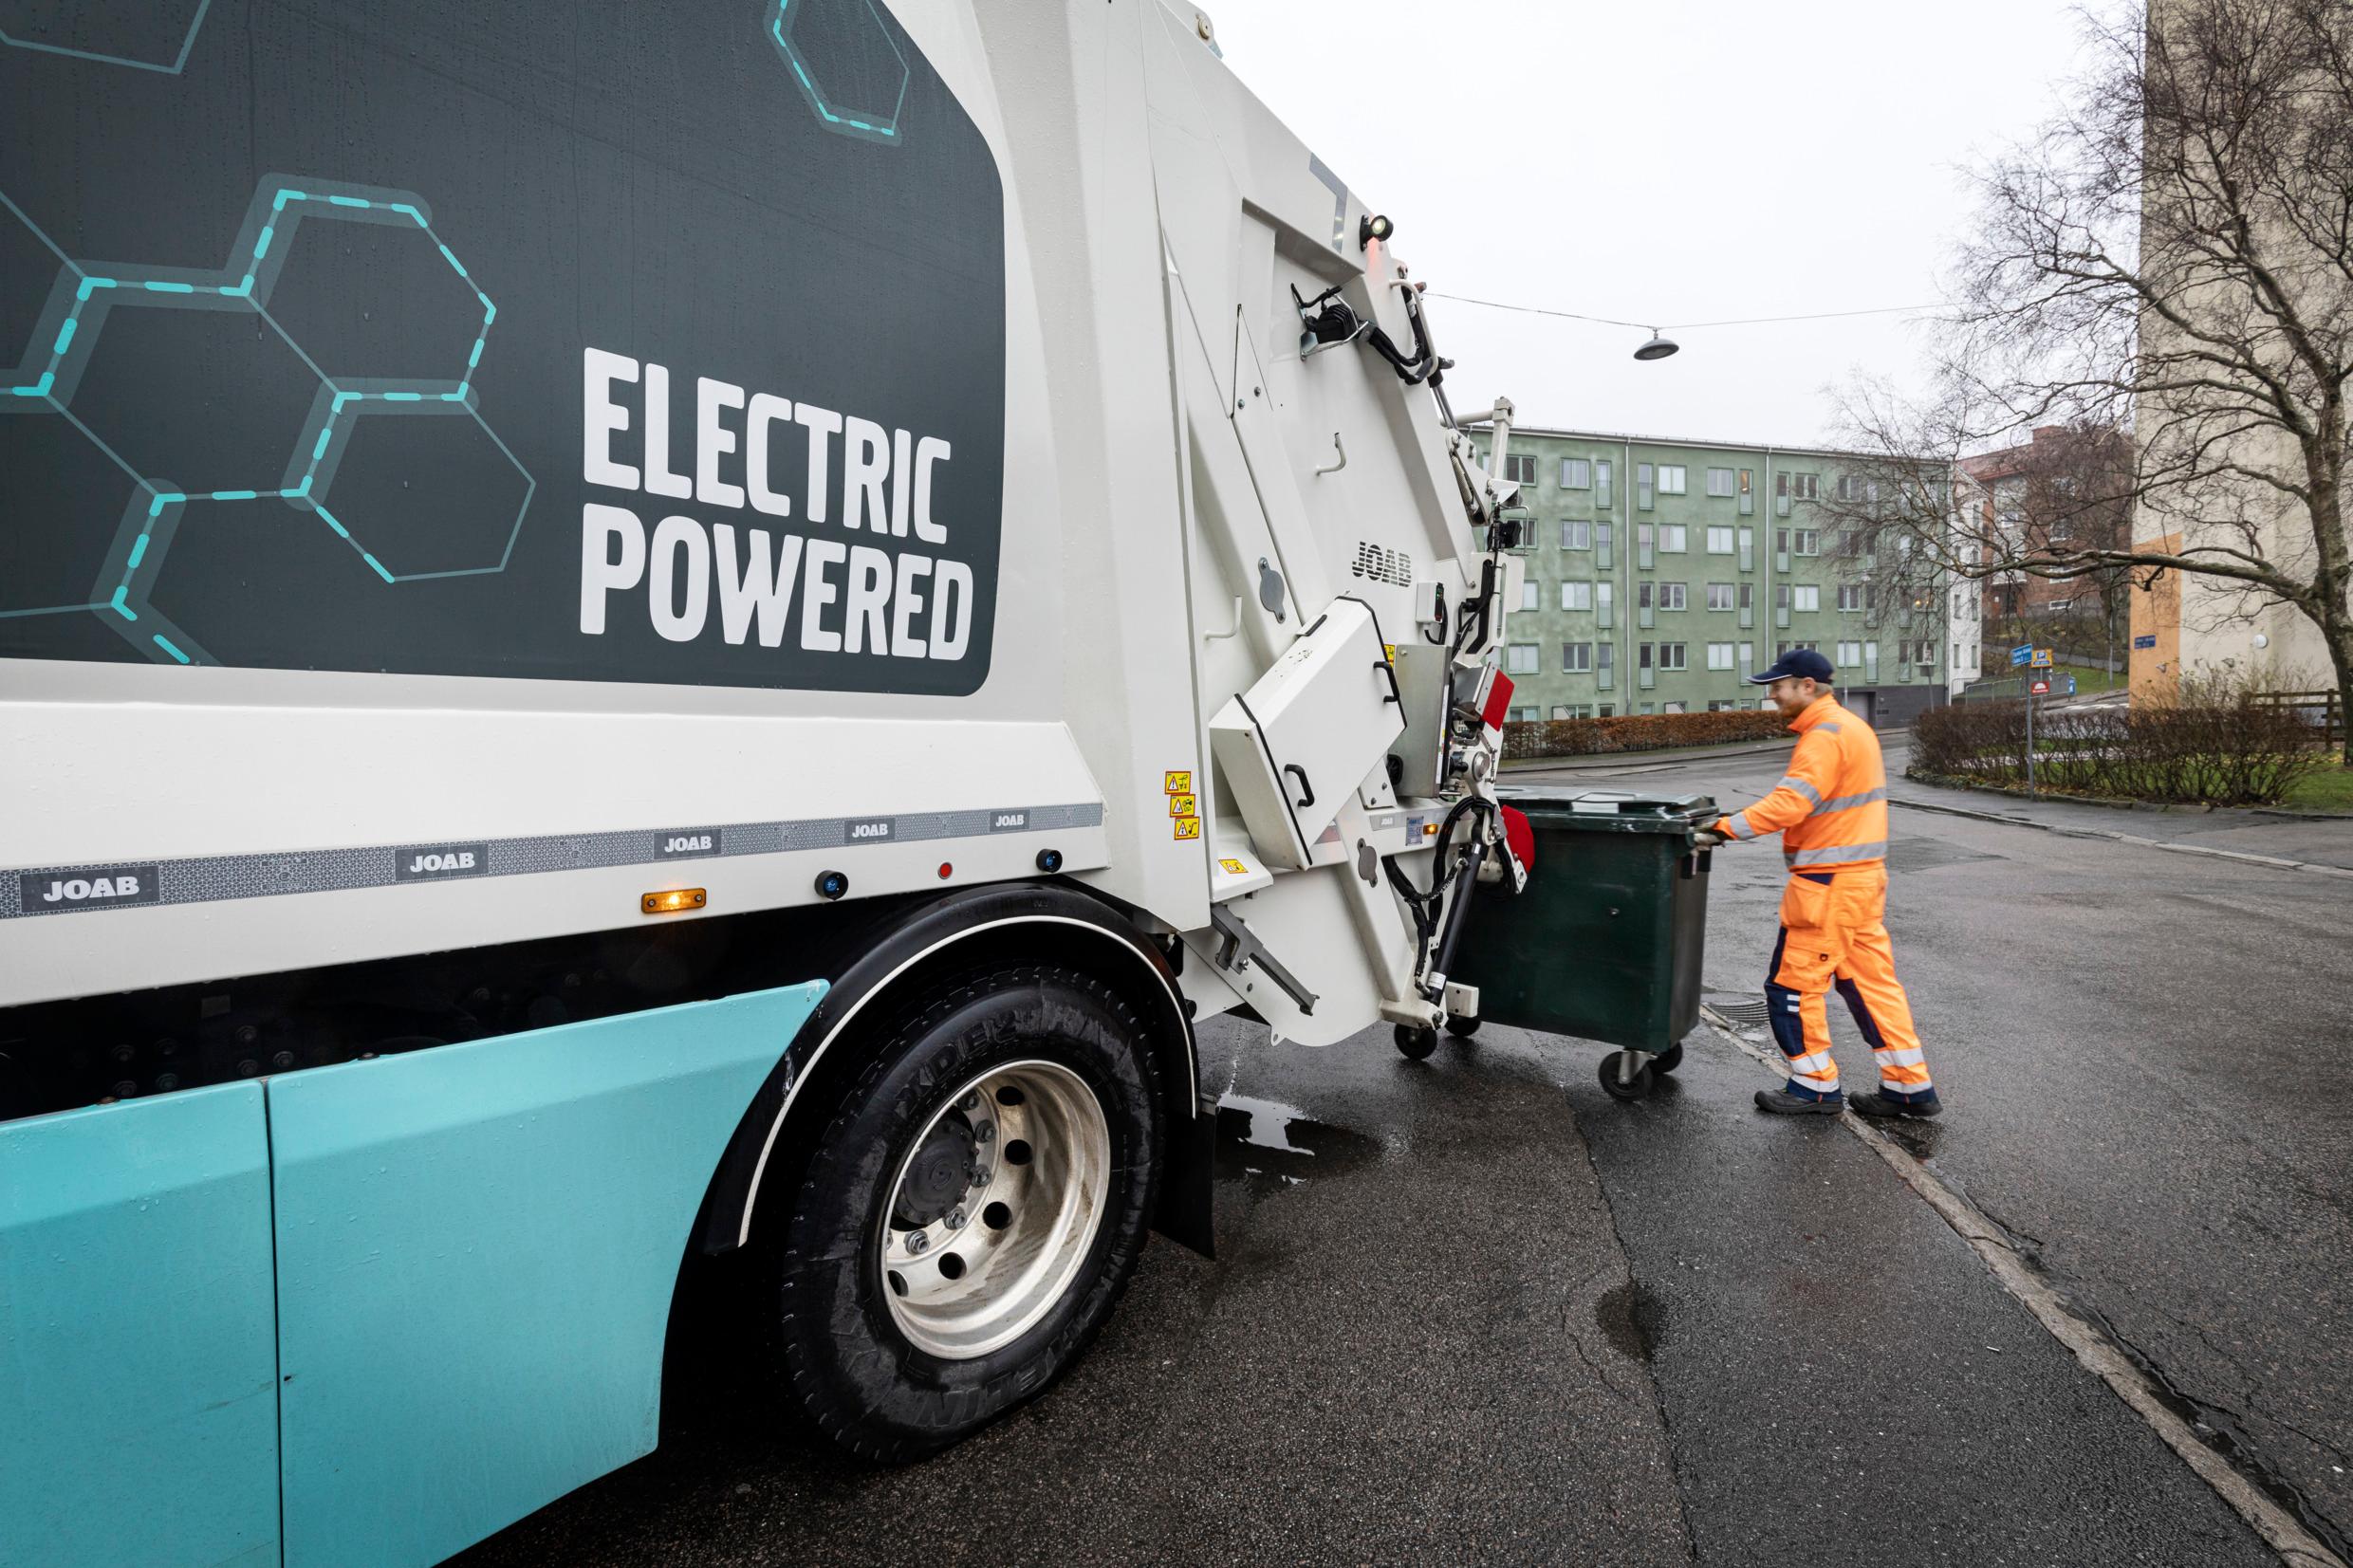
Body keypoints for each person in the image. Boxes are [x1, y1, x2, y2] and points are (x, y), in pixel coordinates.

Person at [1694, 650, 1941, 1119]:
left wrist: (1723, 828)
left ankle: (1814, 1086)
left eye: (1778, 686)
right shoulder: (1851, 728)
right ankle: (1909, 1085)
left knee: (1792, 988)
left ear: (1808, 686)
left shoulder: (1824, 735)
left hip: (1827, 886)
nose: (1771, 695)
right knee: (1871, 985)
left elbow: (1790, 804)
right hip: (1861, 879)